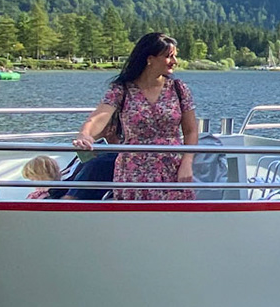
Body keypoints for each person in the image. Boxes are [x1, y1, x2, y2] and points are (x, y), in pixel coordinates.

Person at [73, 32, 197, 201]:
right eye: (169, 56)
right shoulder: (121, 89)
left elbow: (190, 131)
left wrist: (187, 163)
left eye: (174, 56)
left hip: (172, 168)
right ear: (150, 59)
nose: (174, 61)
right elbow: (101, 115)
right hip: (133, 171)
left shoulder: (178, 89)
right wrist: (85, 134)